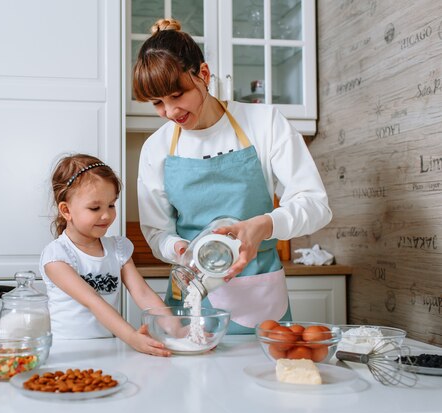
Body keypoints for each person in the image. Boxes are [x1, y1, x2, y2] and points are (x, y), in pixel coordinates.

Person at [133, 19, 332, 334]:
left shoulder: (264, 123)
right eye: (158, 103)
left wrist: (264, 225)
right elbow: (157, 232)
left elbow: (315, 205)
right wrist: (182, 250)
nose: (170, 112)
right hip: (190, 295)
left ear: (204, 74)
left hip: (259, 297)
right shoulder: (156, 148)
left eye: (176, 95)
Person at [40, 153, 171, 356]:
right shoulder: (57, 256)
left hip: (110, 349)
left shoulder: (118, 248)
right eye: (95, 208)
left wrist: (180, 332)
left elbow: (143, 293)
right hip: (67, 352)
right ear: (66, 210)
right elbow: (93, 301)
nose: (107, 215)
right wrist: (132, 338)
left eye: (111, 204)